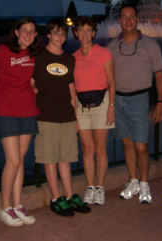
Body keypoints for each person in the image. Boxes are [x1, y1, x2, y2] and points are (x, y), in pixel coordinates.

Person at [0, 17, 42, 227]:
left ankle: (17, 204)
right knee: (13, 160)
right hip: (5, 110)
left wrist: (37, 88)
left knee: (21, 159)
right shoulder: (0, 52)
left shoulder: (34, 54)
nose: (28, 34)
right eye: (24, 30)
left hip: (28, 109)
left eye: (32, 31)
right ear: (16, 32)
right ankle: (4, 207)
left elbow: (32, 81)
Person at [32, 18, 91, 216]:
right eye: (56, 33)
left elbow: (71, 88)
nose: (60, 37)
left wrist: (75, 116)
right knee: (50, 158)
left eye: (63, 33)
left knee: (65, 158)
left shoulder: (68, 59)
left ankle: (69, 194)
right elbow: (29, 82)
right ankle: (56, 198)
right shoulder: (38, 57)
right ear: (48, 35)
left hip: (66, 115)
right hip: (46, 115)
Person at [107, 5, 162, 204]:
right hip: (118, 99)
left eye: (132, 17)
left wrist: (160, 102)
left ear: (137, 19)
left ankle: (144, 183)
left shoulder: (151, 45)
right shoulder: (112, 46)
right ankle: (133, 180)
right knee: (126, 143)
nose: (128, 20)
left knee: (141, 146)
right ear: (120, 21)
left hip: (139, 99)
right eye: (124, 17)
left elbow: (159, 75)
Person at [72, 16, 115, 205]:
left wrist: (111, 107)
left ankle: (100, 187)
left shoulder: (103, 53)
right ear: (75, 33)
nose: (85, 34)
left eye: (88, 30)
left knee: (100, 149)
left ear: (94, 33)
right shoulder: (73, 57)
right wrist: (73, 112)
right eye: (81, 30)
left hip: (102, 104)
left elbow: (112, 82)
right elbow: (72, 87)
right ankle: (90, 187)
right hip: (81, 106)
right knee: (87, 149)